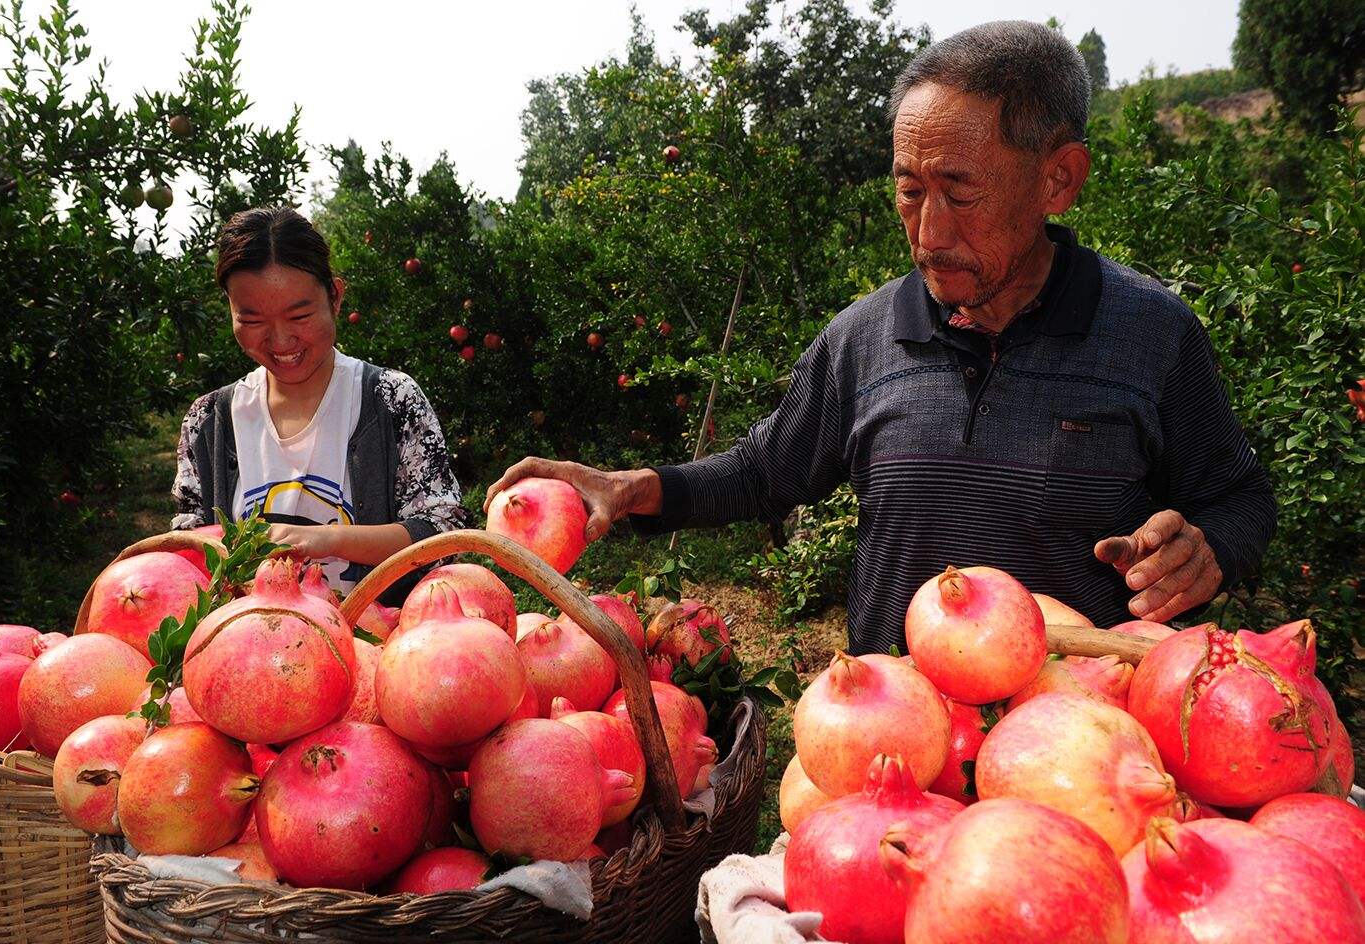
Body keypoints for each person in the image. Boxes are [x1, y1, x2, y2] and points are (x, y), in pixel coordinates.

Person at [486, 21, 1277, 655]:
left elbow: (1238, 498)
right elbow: (765, 472)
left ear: (1058, 178)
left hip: (1079, 743)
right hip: (895, 739)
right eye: (908, 190)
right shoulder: (862, 339)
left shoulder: (1150, 332)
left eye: (958, 193)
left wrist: (1207, 548)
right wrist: (632, 489)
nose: (927, 232)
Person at [173, 207, 465, 600]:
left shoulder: (391, 400)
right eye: (253, 320)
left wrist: (328, 540)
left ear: (336, 297)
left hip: (376, 636)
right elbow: (188, 557)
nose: (280, 341)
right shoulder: (209, 422)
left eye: (299, 315)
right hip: (248, 636)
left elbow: (444, 534)